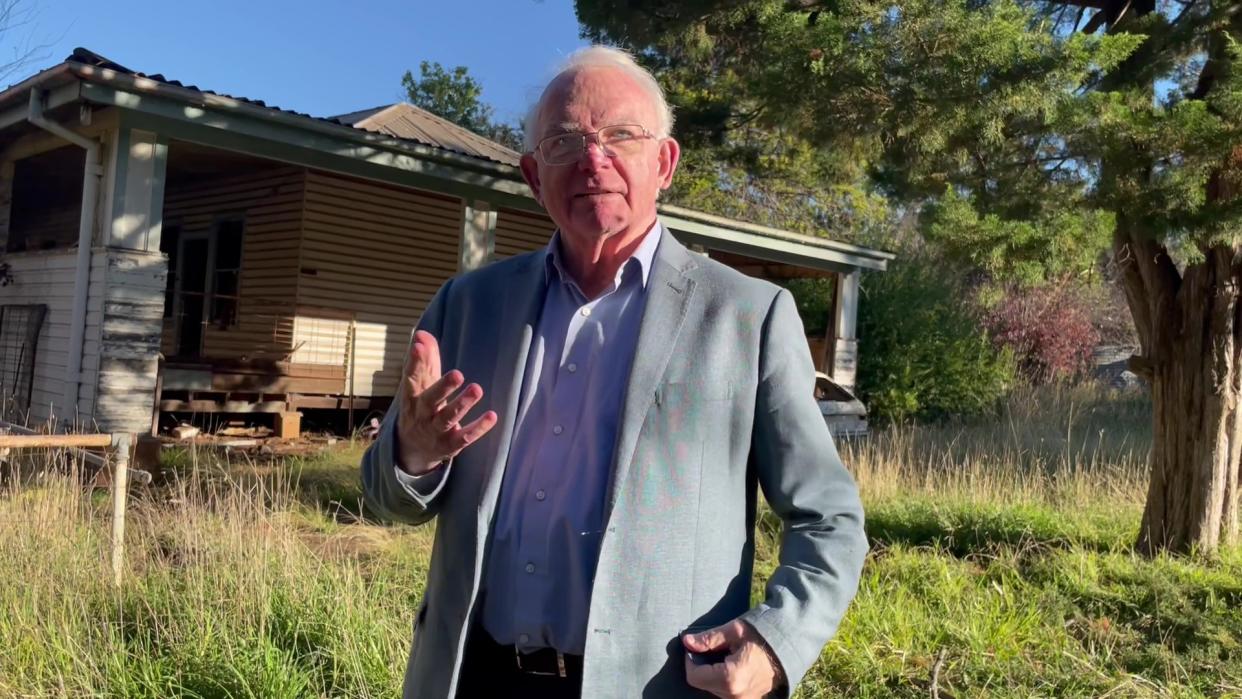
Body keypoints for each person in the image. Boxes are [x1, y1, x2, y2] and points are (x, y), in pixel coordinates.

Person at [360, 46, 868, 699]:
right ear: (532, 174)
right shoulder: (466, 307)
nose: (593, 158)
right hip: (472, 675)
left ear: (665, 162)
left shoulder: (748, 315)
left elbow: (828, 516)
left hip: (655, 684)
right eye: (564, 141)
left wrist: (778, 640)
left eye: (621, 135)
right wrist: (413, 454)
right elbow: (383, 497)